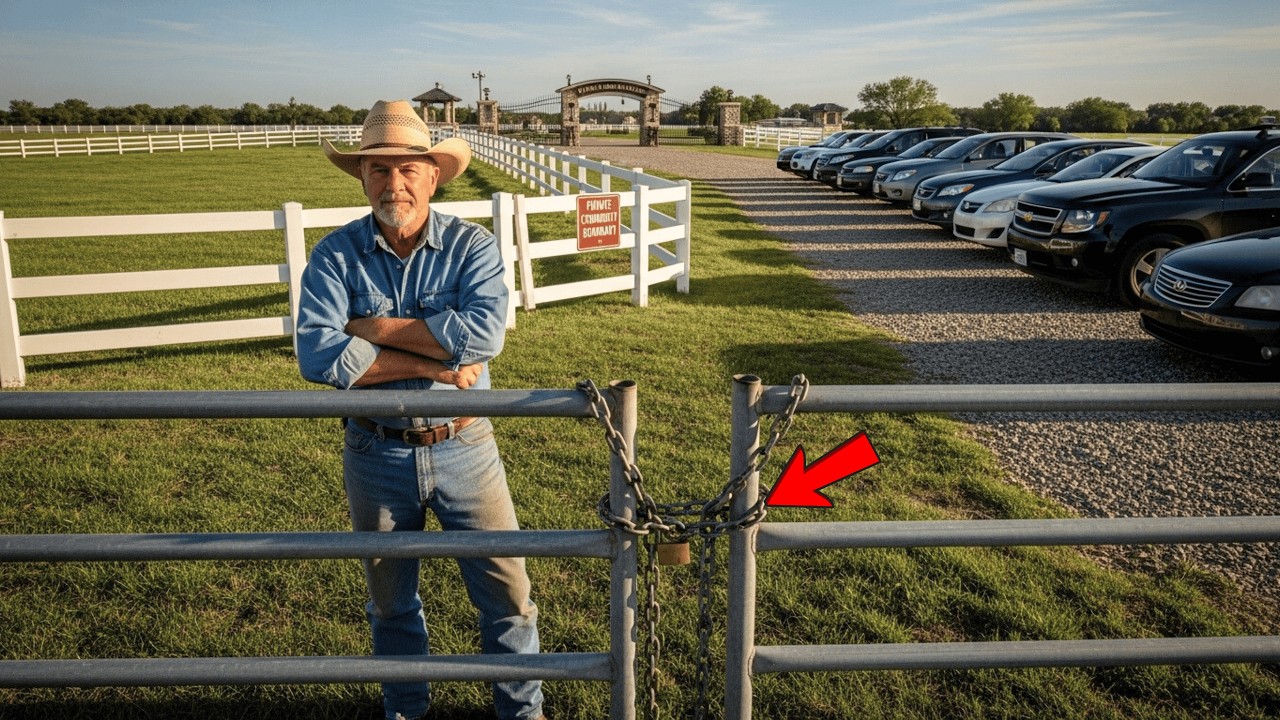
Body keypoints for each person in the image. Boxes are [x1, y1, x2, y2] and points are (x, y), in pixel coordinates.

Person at [295, 100, 544, 720]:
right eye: (379, 170)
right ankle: (405, 709)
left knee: (507, 593)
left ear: (434, 175)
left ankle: (521, 710)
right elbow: (319, 354)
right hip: (374, 448)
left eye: (408, 169)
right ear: (361, 177)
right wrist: (433, 363)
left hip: (465, 443)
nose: (394, 183)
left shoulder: (472, 246)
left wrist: (372, 328)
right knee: (389, 599)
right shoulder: (335, 254)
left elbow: (483, 337)